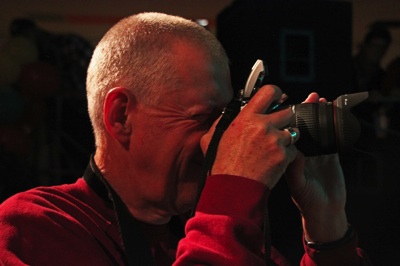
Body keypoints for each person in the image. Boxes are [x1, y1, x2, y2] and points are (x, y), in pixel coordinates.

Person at [0, 12, 371, 265]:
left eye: (224, 119)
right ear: (120, 116)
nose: (219, 140)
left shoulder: (222, 234)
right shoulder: (33, 228)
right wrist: (232, 192)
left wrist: (327, 231)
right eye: (203, 118)